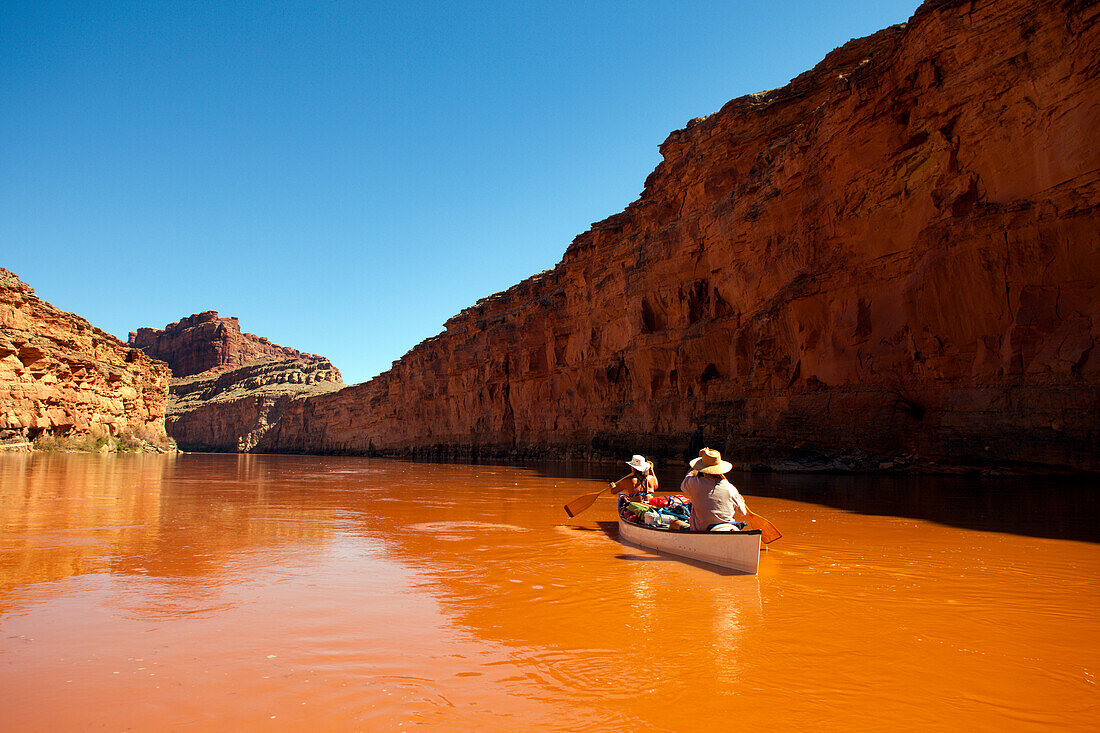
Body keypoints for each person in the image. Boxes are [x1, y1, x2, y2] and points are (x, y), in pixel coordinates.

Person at [679, 447, 748, 531]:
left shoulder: (694, 483)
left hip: (702, 530)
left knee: (674, 522)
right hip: (728, 527)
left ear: (702, 468)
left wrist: (700, 460)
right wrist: (741, 501)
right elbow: (743, 513)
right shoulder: (731, 488)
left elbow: (688, 477)